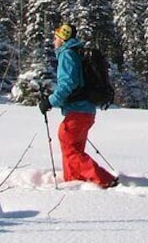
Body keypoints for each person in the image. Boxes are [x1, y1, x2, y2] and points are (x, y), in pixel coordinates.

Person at [39, 23, 118, 188]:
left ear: (62, 39)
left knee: (69, 146)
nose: (53, 42)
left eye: (55, 38)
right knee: (74, 148)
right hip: (85, 111)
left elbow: (67, 84)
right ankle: (73, 181)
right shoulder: (76, 53)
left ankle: (105, 179)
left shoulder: (67, 54)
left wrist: (50, 102)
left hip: (78, 111)